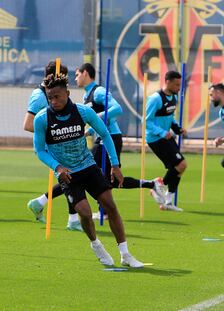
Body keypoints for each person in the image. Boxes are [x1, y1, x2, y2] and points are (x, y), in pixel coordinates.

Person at [34, 73, 144, 267]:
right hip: (67, 173)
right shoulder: (42, 119)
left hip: (88, 166)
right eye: (50, 97)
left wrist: (115, 165)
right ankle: (96, 245)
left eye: (57, 96)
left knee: (110, 205)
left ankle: (125, 254)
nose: (53, 101)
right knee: (85, 213)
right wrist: (57, 167)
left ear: (67, 93)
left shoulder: (84, 112)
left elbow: (105, 134)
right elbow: (40, 151)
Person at [75, 63, 166, 219]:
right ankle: (152, 184)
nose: (75, 78)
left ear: (85, 73)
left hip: (111, 138)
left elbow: (117, 109)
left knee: (88, 171)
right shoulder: (86, 96)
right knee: (113, 180)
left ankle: (102, 211)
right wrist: (89, 131)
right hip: (102, 137)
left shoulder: (99, 92)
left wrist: (96, 118)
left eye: (77, 74)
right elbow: (104, 120)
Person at [23, 61, 82, 231]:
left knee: (71, 178)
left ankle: (66, 216)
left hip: (61, 143)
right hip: (50, 146)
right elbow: (28, 124)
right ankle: (69, 218)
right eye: (64, 78)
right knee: (71, 177)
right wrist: (53, 131)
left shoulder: (53, 95)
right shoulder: (39, 96)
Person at [145, 70, 187, 212]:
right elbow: (147, 122)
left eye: (180, 84)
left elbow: (170, 117)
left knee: (177, 169)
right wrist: (162, 132)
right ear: (167, 82)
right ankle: (157, 187)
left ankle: (168, 202)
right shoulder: (155, 99)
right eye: (176, 85)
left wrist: (177, 128)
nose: (179, 88)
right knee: (181, 164)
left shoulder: (173, 98)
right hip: (156, 138)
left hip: (166, 137)